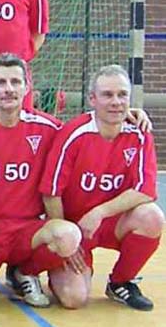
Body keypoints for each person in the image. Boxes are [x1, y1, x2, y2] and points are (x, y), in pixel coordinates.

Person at [0, 53, 80, 312]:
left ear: (27, 86)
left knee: (68, 237)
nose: (9, 89)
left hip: (27, 232)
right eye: (1, 83)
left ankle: (24, 272)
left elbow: (89, 132)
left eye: (15, 82)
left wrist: (129, 116)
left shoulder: (49, 128)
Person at [40, 65, 163, 311]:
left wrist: (99, 213)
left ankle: (121, 282)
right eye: (107, 95)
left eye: (122, 95)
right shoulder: (73, 134)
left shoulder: (139, 133)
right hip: (75, 227)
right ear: (92, 99)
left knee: (152, 217)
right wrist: (66, 239)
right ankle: (30, 270)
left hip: (108, 223)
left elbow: (145, 190)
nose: (116, 102)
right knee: (74, 299)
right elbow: (51, 193)